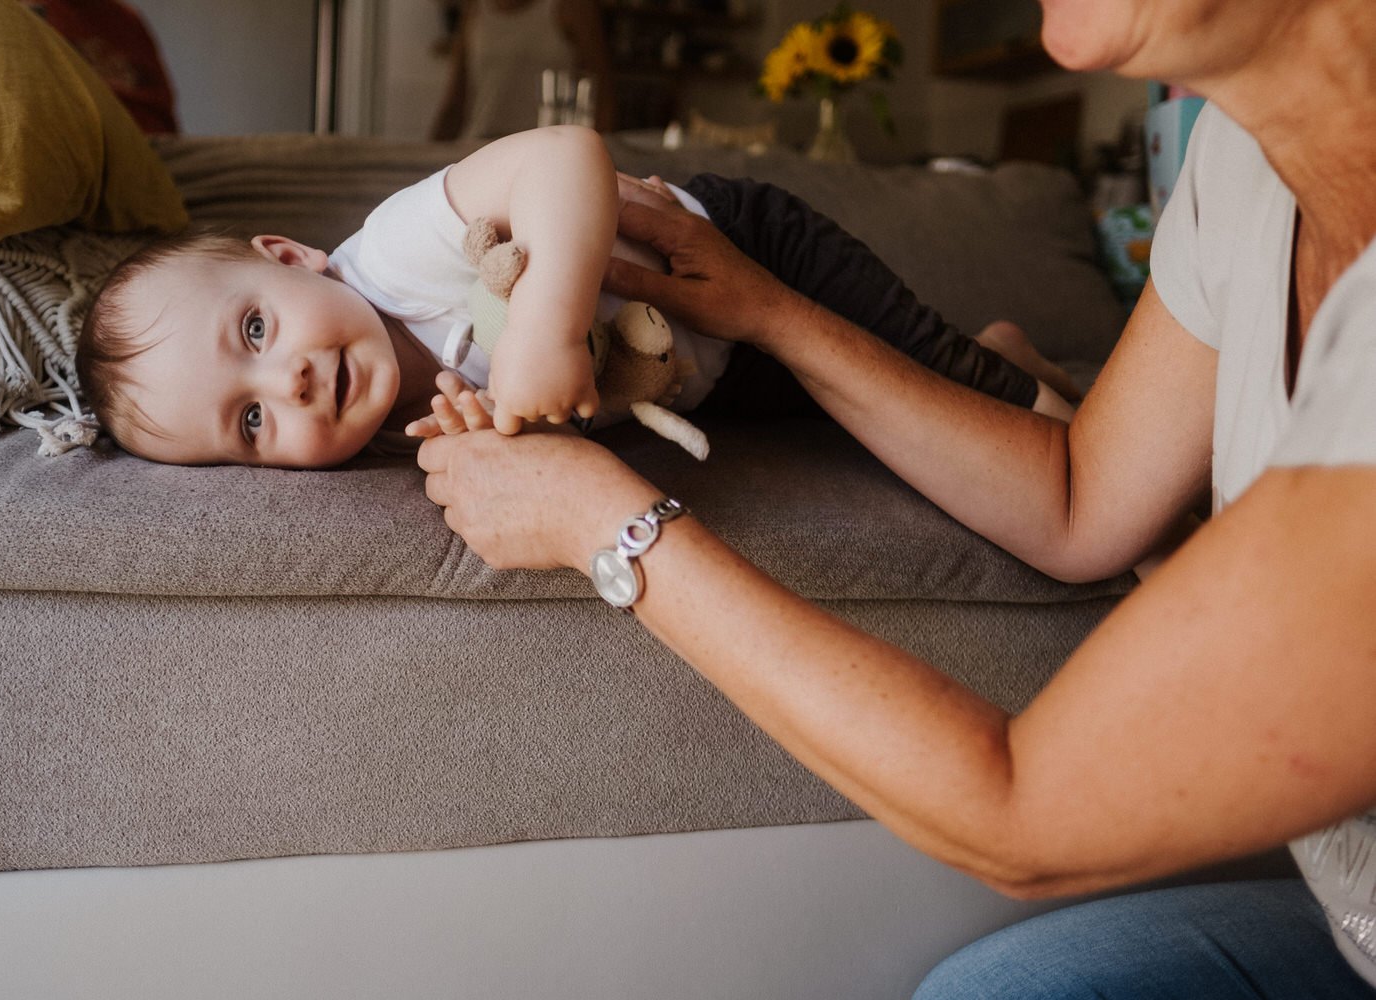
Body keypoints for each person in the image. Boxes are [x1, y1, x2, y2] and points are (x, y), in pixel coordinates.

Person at [414, 0, 1376, 995]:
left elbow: (1020, 813)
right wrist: (773, 313)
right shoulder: (1245, 165)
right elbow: (1082, 500)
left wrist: (601, 523)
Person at [76, 125, 1073, 468]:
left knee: (931, 377)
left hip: (743, 255)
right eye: (249, 420)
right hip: (702, 384)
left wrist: (546, 325)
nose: (287, 379)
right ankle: (1009, 348)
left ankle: (1045, 411)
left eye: (254, 328)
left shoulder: (396, 252)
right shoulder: (391, 434)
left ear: (290, 256)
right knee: (870, 420)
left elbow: (563, 156)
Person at [429, 0, 617, 141]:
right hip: (480, 148)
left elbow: (601, 95)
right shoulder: (475, 9)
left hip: (546, 150)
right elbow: (455, 100)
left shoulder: (573, 6)